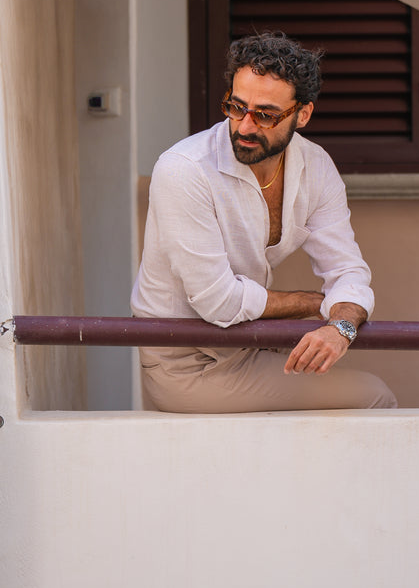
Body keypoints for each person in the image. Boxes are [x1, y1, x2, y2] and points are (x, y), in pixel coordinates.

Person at [131, 31, 397, 412]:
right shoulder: (184, 170)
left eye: (265, 115)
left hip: (249, 343)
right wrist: (317, 303)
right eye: (236, 107)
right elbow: (218, 302)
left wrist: (340, 327)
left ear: (302, 114)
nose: (244, 126)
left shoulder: (316, 167)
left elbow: (349, 273)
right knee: (375, 397)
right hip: (189, 364)